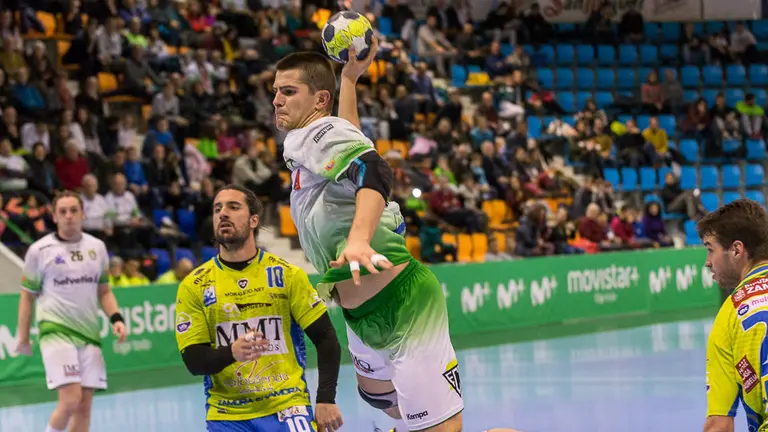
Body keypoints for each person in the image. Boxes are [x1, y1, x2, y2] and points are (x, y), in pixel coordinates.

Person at [273, 39, 518, 432]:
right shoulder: (323, 137)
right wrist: (350, 80)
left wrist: (358, 238)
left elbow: (374, 170)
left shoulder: (313, 134)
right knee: (383, 401)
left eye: (288, 91)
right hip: (361, 315)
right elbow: (351, 136)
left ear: (320, 99)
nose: (277, 100)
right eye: (275, 92)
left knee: (437, 427)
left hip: (404, 303)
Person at [174, 184, 343, 432]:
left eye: (233, 207)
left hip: (287, 405)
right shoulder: (194, 285)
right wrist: (232, 352)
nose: (223, 214)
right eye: (217, 209)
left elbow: (326, 338)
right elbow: (194, 361)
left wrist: (326, 399)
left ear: (254, 220)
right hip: (227, 415)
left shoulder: (288, 275)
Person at [14, 191, 127, 432]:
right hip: (56, 333)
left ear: (83, 213)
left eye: (74, 210)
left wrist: (116, 318)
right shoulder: (39, 251)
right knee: (70, 399)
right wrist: (22, 336)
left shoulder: (97, 247)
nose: (69, 216)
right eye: (62, 212)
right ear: (54, 216)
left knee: (84, 406)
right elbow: (27, 295)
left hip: (89, 334)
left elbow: (104, 291)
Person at [700, 199, 768, 432]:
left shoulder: (731, 314)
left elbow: (719, 426)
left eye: (710, 249)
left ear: (737, 250)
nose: (708, 262)